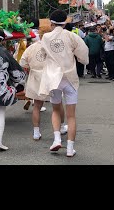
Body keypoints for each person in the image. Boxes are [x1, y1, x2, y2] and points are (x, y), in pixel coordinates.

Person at [39, 10, 89, 157]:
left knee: (55, 110)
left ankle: (56, 140)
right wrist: (82, 60)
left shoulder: (46, 37)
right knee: (71, 116)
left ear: (52, 23)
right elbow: (83, 54)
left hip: (54, 78)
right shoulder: (72, 36)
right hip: (69, 77)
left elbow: (42, 54)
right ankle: (70, 148)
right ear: (65, 22)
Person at [20, 23, 67, 141]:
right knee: (57, 105)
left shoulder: (31, 47)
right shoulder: (55, 47)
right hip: (52, 77)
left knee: (37, 106)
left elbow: (22, 62)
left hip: (36, 78)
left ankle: (36, 132)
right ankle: (60, 127)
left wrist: (30, 68)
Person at [0, 29, 26, 151]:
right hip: (1, 87)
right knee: (1, 112)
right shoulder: (5, 53)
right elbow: (16, 71)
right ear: (2, 40)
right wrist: (19, 84)